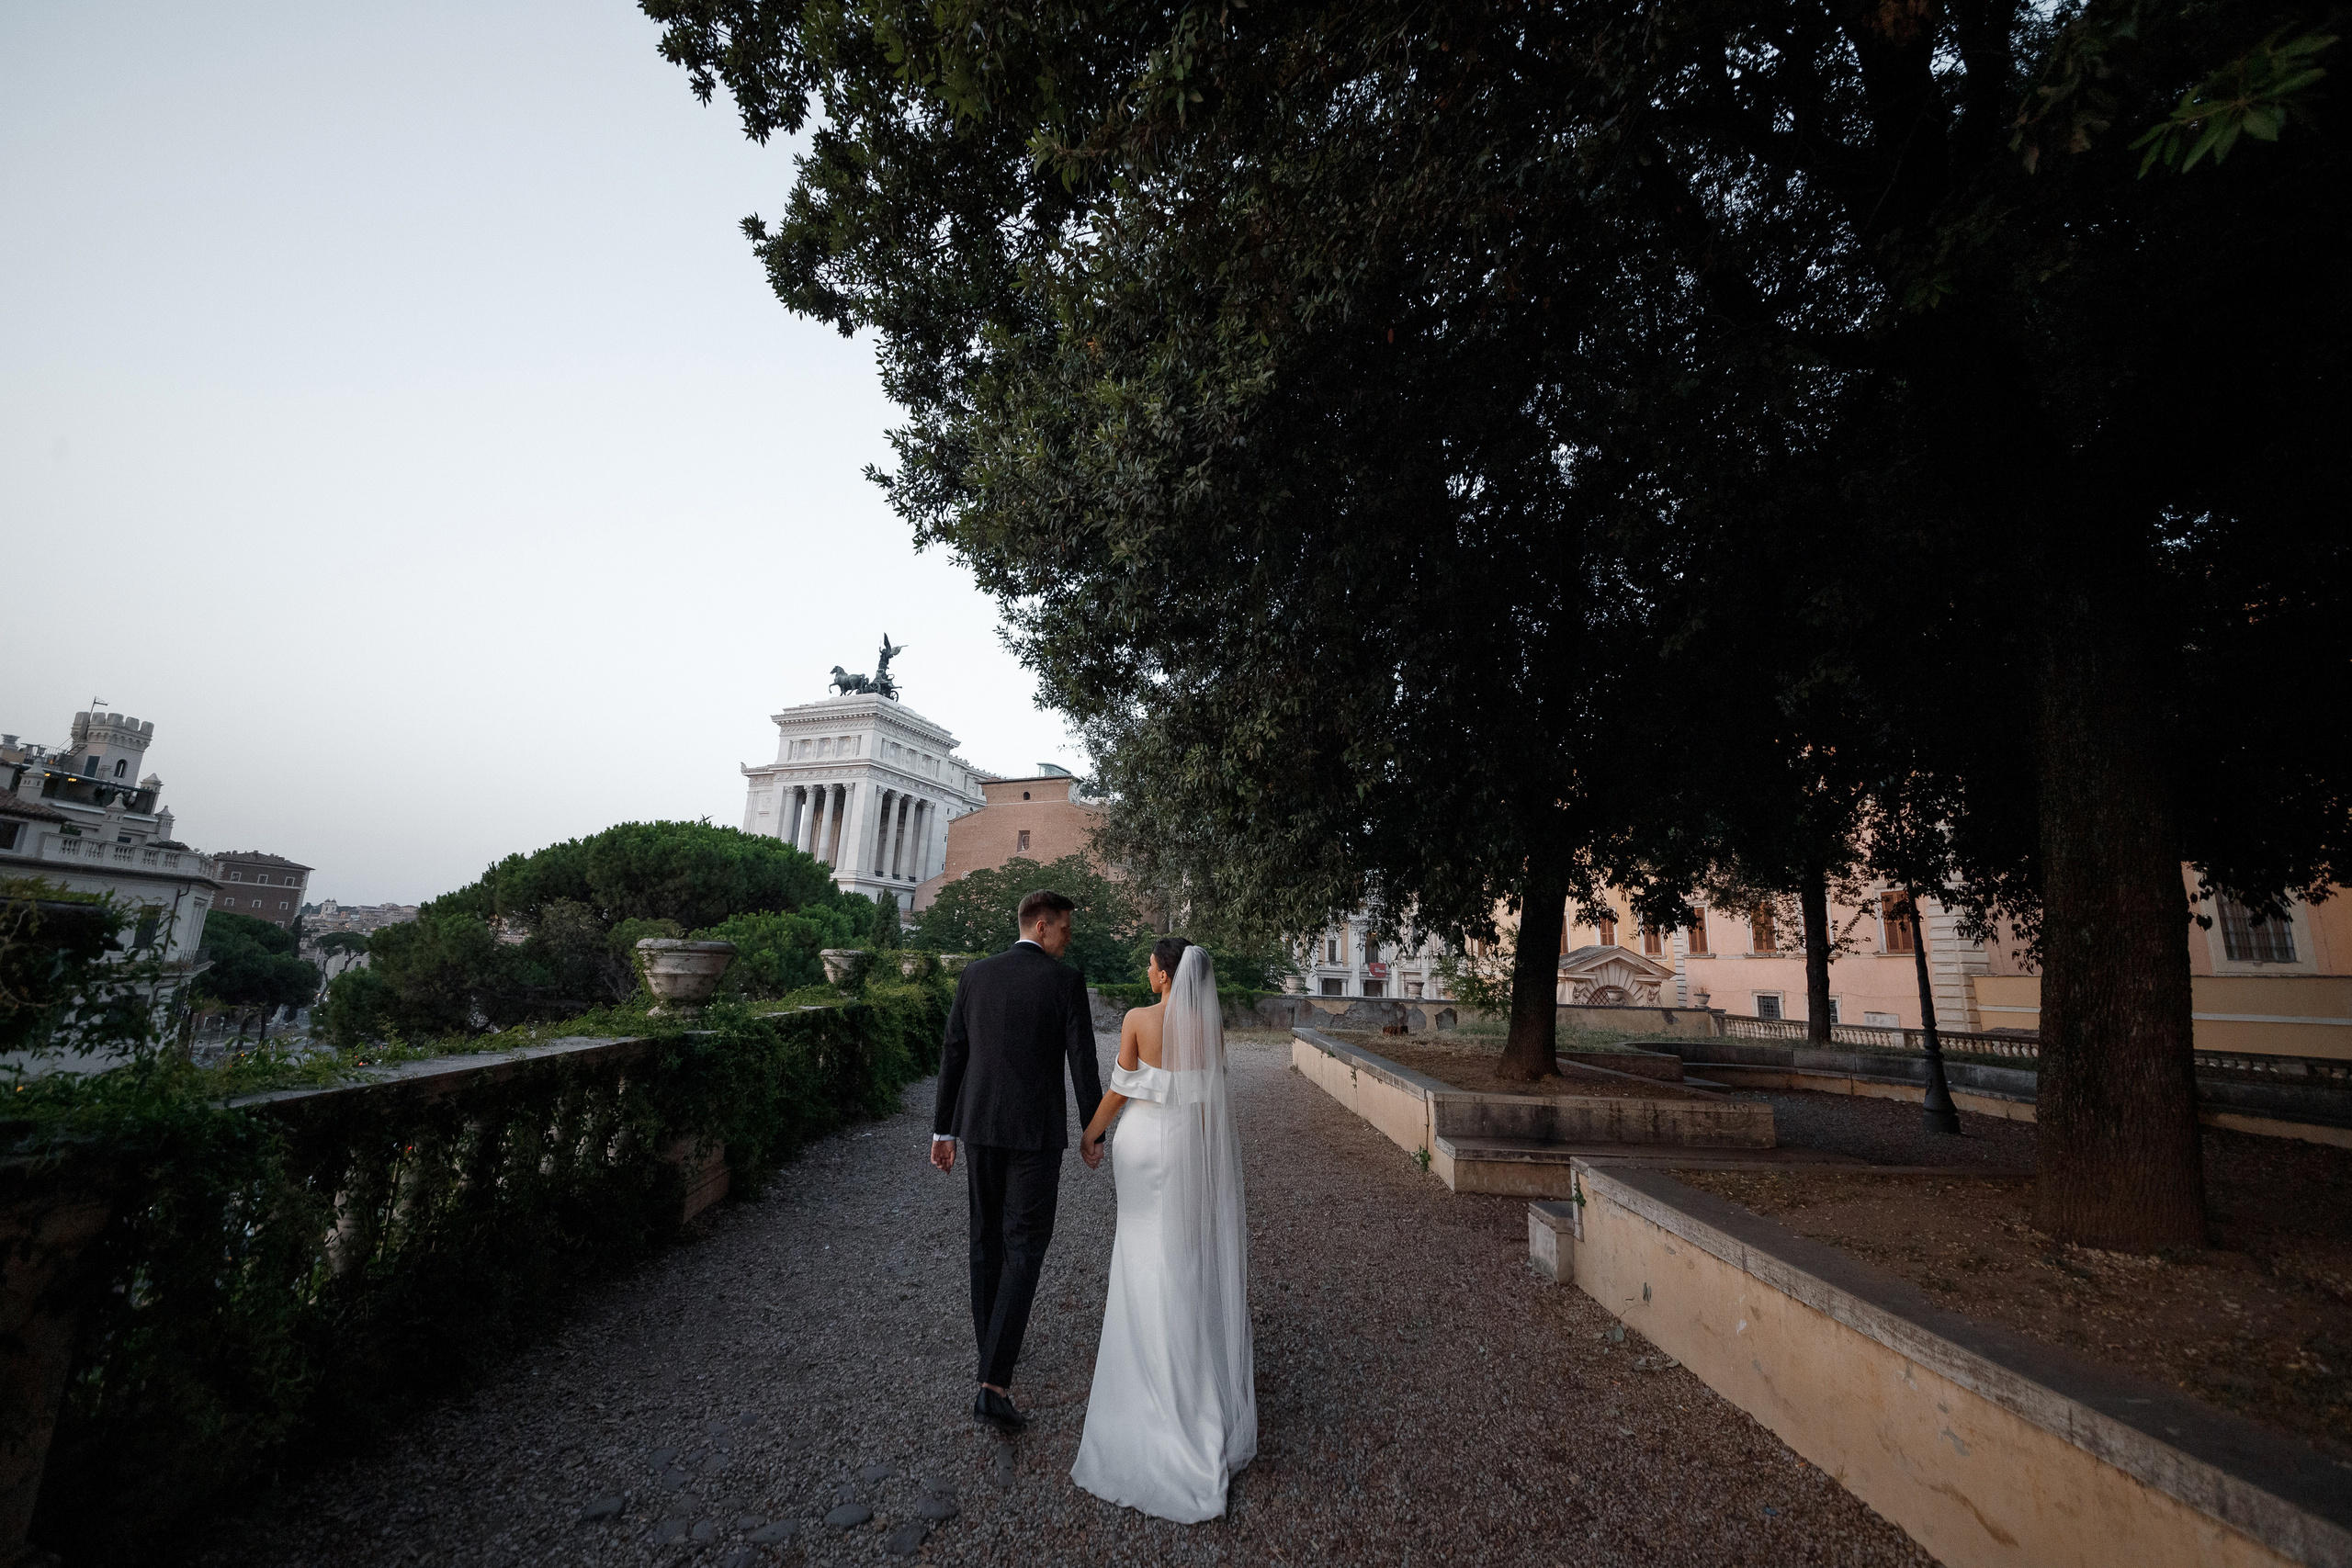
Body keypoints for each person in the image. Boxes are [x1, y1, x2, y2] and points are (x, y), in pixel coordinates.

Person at [1069, 937, 1258, 1521]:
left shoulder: (1138, 1019)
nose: (1148, 972)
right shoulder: (1210, 1027)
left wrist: (1091, 1134)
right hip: (1186, 1148)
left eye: (1151, 966)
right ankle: (1192, 1386)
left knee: (1139, 1251)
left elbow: (1120, 1090)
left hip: (1142, 1144)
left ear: (1166, 974)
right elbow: (1210, 1101)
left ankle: (1141, 1381)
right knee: (1182, 1256)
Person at [930, 888, 1107, 1430]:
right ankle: (993, 1383)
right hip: (1035, 1133)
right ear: (1041, 926)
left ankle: (994, 1347)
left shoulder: (975, 975)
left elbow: (953, 1053)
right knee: (1025, 1244)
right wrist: (1093, 1129)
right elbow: (1081, 1058)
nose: (1069, 938)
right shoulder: (1065, 981)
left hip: (978, 1126)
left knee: (985, 1237)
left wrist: (943, 1130)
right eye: (1065, 928)